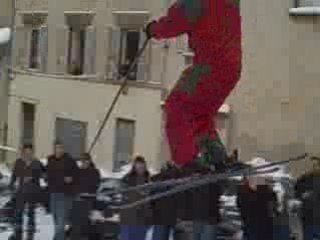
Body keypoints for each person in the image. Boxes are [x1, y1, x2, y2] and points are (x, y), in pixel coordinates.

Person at [144, 0, 241, 171]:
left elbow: (175, 21)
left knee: (176, 106)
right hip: (232, 69)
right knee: (200, 114)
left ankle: (186, 162)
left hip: (208, 67)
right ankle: (217, 158)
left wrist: (152, 30)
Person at [8, 143, 44, 240]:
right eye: (26, 152)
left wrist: (33, 177)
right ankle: (18, 234)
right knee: (18, 213)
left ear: (32, 152)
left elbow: (43, 174)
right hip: (21, 192)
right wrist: (11, 186)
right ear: (23, 152)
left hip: (33, 192)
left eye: (30, 152)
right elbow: (14, 176)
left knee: (31, 214)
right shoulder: (19, 162)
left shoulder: (36, 162)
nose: (28, 154)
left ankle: (30, 234)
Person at [46, 141, 79, 240]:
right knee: (56, 221)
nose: (59, 150)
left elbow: (77, 175)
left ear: (64, 149)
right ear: (54, 149)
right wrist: (45, 177)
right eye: (57, 148)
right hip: (53, 194)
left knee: (61, 222)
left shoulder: (70, 161)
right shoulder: (50, 160)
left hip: (64, 194)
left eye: (61, 148)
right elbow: (48, 175)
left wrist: (71, 178)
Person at [69, 153, 101, 240]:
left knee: (84, 225)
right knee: (75, 225)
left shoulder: (94, 172)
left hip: (87, 201)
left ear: (90, 161)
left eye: (86, 160)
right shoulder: (77, 172)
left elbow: (94, 186)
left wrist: (84, 192)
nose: (84, 162)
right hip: (76, 202)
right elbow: (72, 185)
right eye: (83, 160)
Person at [120, 155, 151, 240]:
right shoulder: (127, 178)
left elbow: (149, 200)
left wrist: (149, 217)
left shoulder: (148, 179)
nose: (140, 167)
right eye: (138, 165)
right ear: (134, 166)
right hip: (129, 218)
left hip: (142, 220)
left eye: (142, 165)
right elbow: (125, 195)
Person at [237, 175, 277, 240]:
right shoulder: (266, 191)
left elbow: (239, 204)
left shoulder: (243, 190)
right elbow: (272, 206)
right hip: (261, 220)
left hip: (251, 220)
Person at [295, 158, 320, 240]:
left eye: (316, 165)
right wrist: (302, 195)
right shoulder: (303, 179)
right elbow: (296, 192)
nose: (313, 168)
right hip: (308, 216)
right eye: (312, 166)